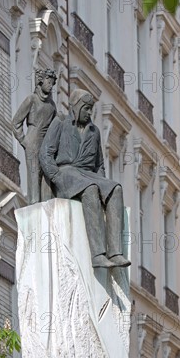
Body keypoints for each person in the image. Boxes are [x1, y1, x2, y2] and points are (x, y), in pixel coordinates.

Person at [39, 88, 131, 269]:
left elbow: (99, 165)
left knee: (115, 188)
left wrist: (105, 188)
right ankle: (97, 255)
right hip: (66, 174)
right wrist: (55, 176)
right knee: (91, 190)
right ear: (77, 107)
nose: (89, 112)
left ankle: (115, 252)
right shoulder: (60, 123)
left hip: (88, 175)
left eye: (91, 109)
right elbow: (45, 153)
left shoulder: (94, 131)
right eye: (86, 108)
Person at [12, 68, 57, 204]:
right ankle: (34, 206)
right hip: (33, 140)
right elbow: (16, 122)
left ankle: (46, 205)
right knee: (34, 174)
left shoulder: (52, 105)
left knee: (46, 176)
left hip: (46, 143)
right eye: (49, 82)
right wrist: (24, 141)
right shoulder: (31, 99)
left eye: (53, 83)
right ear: (41, 81)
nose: (51, 85)